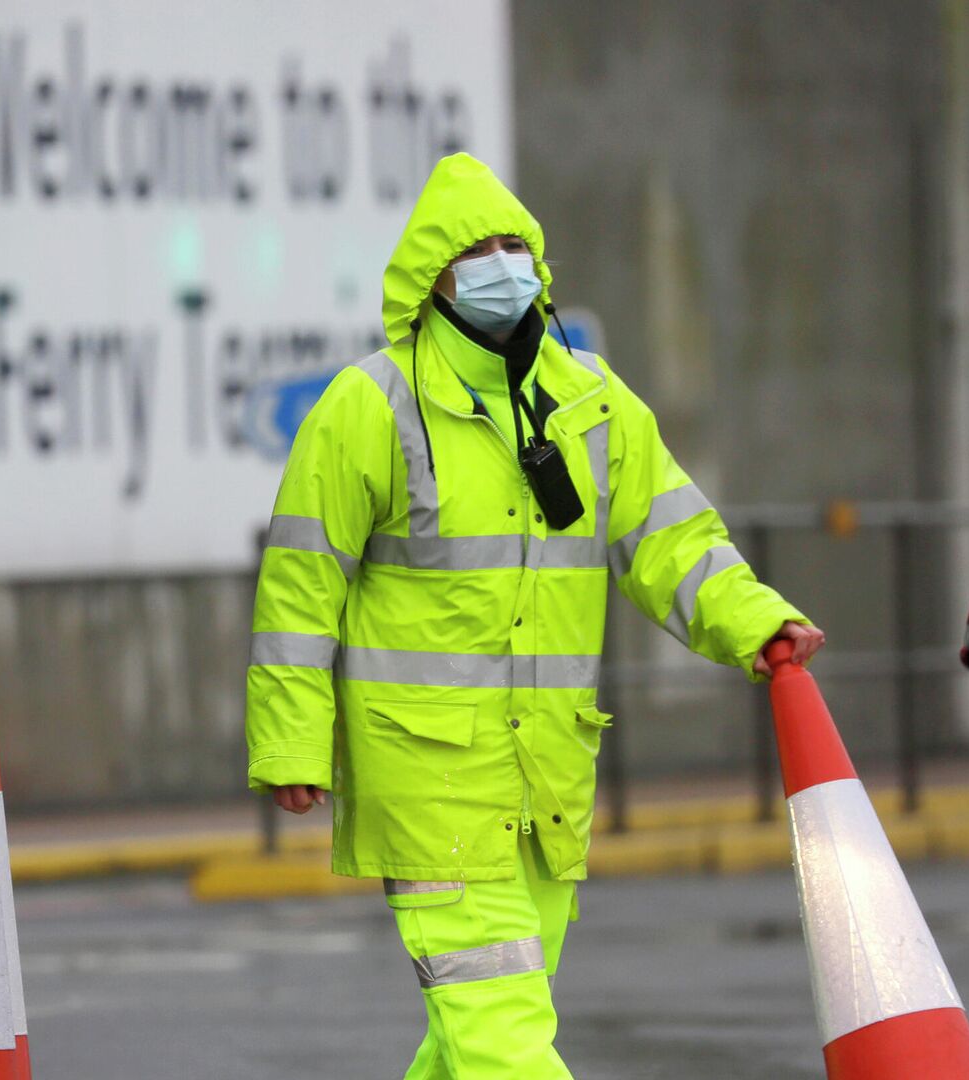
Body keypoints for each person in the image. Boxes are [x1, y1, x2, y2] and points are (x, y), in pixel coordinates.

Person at [243, 152, 825, 1078]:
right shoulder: (374, 406)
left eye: (518, 245)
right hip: (430, 784)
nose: (504, 265)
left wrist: (753, 619)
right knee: (508, 1046)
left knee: (470, 1041)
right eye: (478, 250)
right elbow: (300, 588)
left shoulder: (591, 404)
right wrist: (292, 746)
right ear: (430, 278)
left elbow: (670, 535)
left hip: (545, 785)